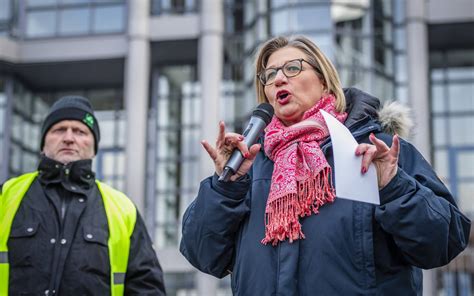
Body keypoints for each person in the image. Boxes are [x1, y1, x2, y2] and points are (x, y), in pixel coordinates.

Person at [180, 35, 471, 295]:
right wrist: (225, 187)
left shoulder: (377, 150)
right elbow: (202, 254)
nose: (279, 79)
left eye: (292, 68)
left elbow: (443, 242)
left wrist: (394, 187)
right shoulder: (250, 165)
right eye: (269, 75)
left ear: (324, 80)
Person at [0, 96, 166, 295]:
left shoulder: (123, 210)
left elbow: (146, 286)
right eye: (59, 130)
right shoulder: (7, 195)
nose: (69, 138)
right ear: (43, 144)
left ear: (94, 148)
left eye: (80, 131)